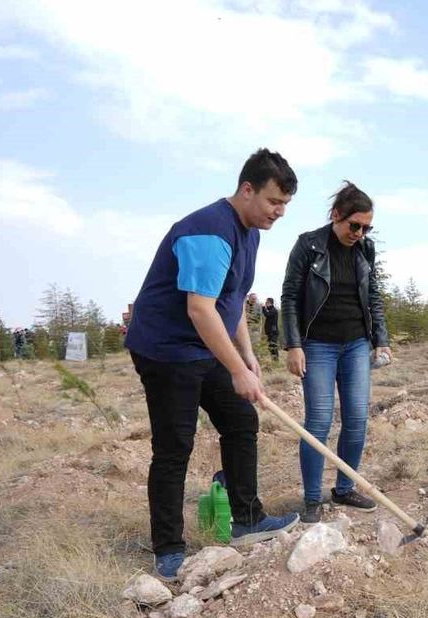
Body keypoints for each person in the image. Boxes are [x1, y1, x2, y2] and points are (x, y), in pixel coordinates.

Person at [124, 148, 301, 581]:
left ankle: (247, 520)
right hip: (166, 350)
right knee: (174, 446)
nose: (278, 212)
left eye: (285, 205)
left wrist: (247, 355)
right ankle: (168, 550)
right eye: (273, 201)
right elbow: (201, 309)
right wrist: (237, 371)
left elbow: (233, 298)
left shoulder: (251, 231)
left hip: (205, 346)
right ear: (247, 189)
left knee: (241, 422)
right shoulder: (208, 231)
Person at [281, 182, 391, 524]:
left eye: (366, 227)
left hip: (356, 343)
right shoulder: (308, 245)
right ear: (336, 216)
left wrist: (381, 339)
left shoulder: (364, 250)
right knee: (318, 422)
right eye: (353, 225)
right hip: (317, 345)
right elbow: (289, 297)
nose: (359, 233)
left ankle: (344, 489)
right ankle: (312, 498)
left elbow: (373, 294)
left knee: (357, 419)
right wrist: (293, 345)